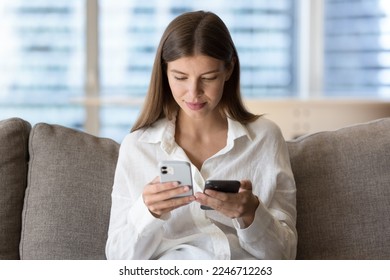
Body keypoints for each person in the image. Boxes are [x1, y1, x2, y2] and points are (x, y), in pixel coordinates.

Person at [105, 10, 297, 260]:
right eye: (180, 77)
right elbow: (118, 260)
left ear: (228, 70)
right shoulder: (137, 147)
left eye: (208, 78)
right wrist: (148, 212)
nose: (193, 93)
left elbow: (285, 256)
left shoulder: (264, 138)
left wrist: (251, 214)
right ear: (164, 73)